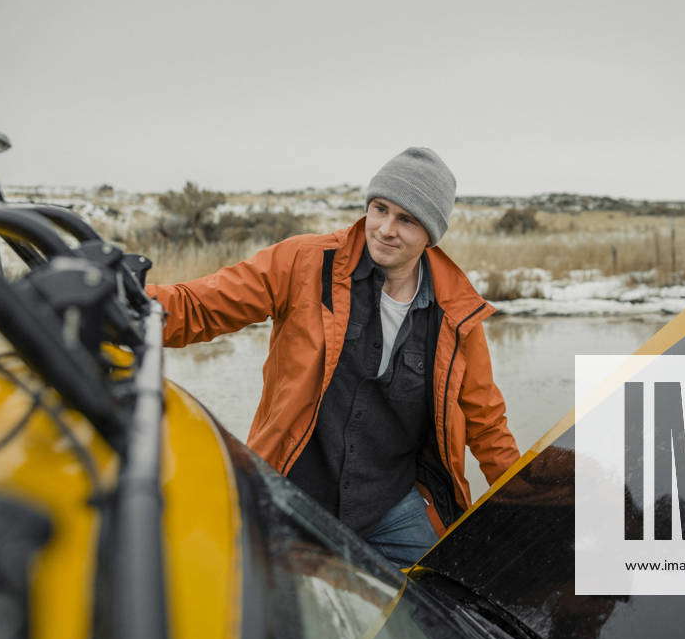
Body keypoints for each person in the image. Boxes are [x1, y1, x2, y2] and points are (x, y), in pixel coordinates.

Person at [146, 147, 520, 567]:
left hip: (393, 510)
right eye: (380, 209)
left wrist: (531, 507)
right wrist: (126, 300)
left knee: (448, 610)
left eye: (407, 219)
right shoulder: (304, 262)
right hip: (293, 499)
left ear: (431, 233)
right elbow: (199, 307)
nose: (385, 229)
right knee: (277, 621)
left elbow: (486, 423)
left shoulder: (455, 312)